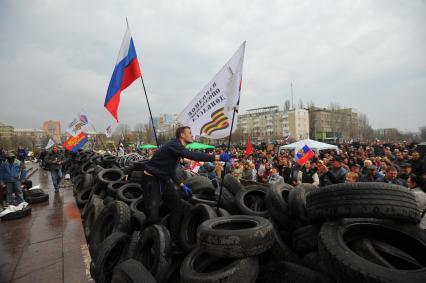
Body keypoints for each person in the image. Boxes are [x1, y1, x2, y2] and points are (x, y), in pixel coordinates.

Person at [142, 126, 230, 247]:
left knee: (177, 206)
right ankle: (143, 240)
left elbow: (170, 169)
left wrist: (181, 185)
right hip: (151, 179)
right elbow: (193, 156)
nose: (192, 135)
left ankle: (172, 240)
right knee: (152, 215)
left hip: (163, 178)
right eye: (189, 133)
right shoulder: (175, 145)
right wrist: (217, 157)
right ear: (182, 135)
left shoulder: (177, 148)